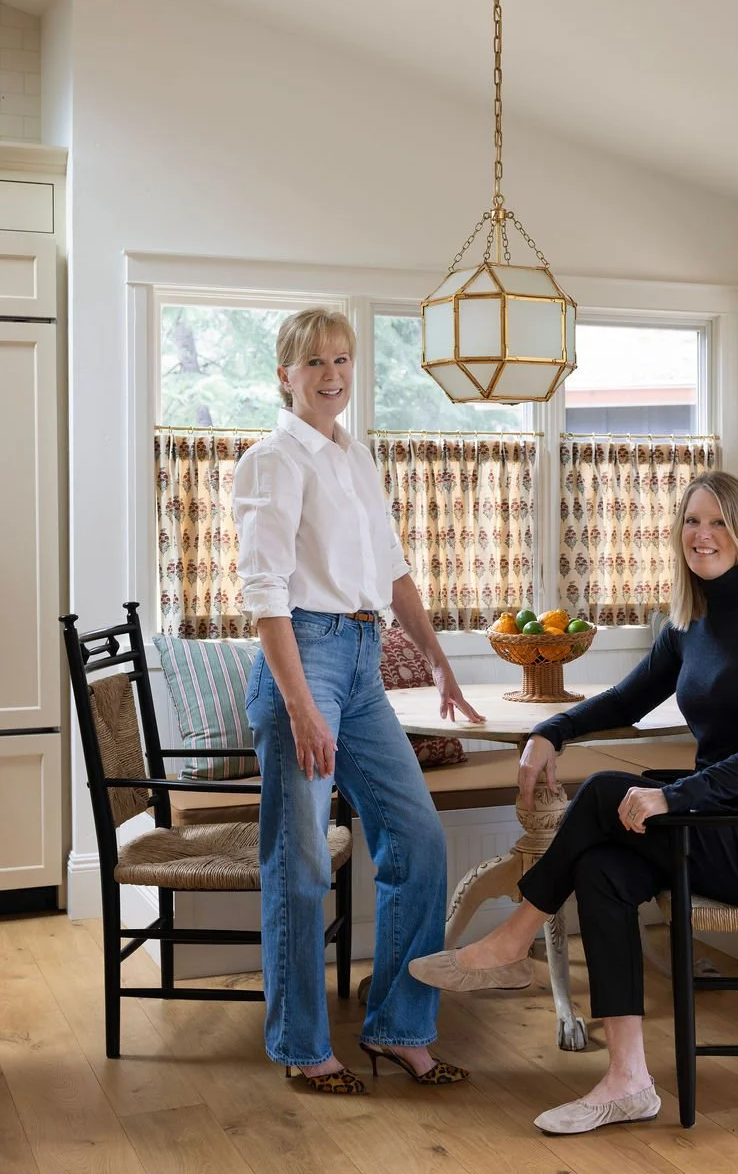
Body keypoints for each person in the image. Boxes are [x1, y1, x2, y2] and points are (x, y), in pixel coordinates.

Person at [410, 470, 738, 1133]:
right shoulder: (690, 621)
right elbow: (629, 699)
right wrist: (549, 731)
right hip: (706, 824)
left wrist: (671, 798)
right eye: (691, 521)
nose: (702, 535)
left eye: (717, 521)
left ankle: (513, 938)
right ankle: (628, 1080)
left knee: (605, 791)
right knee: (601, 870)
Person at [234, 307, 483, 1094]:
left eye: (343, 360)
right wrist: (303, 706)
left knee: (419, 840)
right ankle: (302, 1045)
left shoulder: (355, 455)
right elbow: (264, 592)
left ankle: (400, 1025)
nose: (333, 375)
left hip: (365, 660)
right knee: (301, 861)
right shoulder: (273, 460)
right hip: (301, 662)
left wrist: (440, 662)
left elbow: (395, 570)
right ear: (285, 375)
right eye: (314, 363)